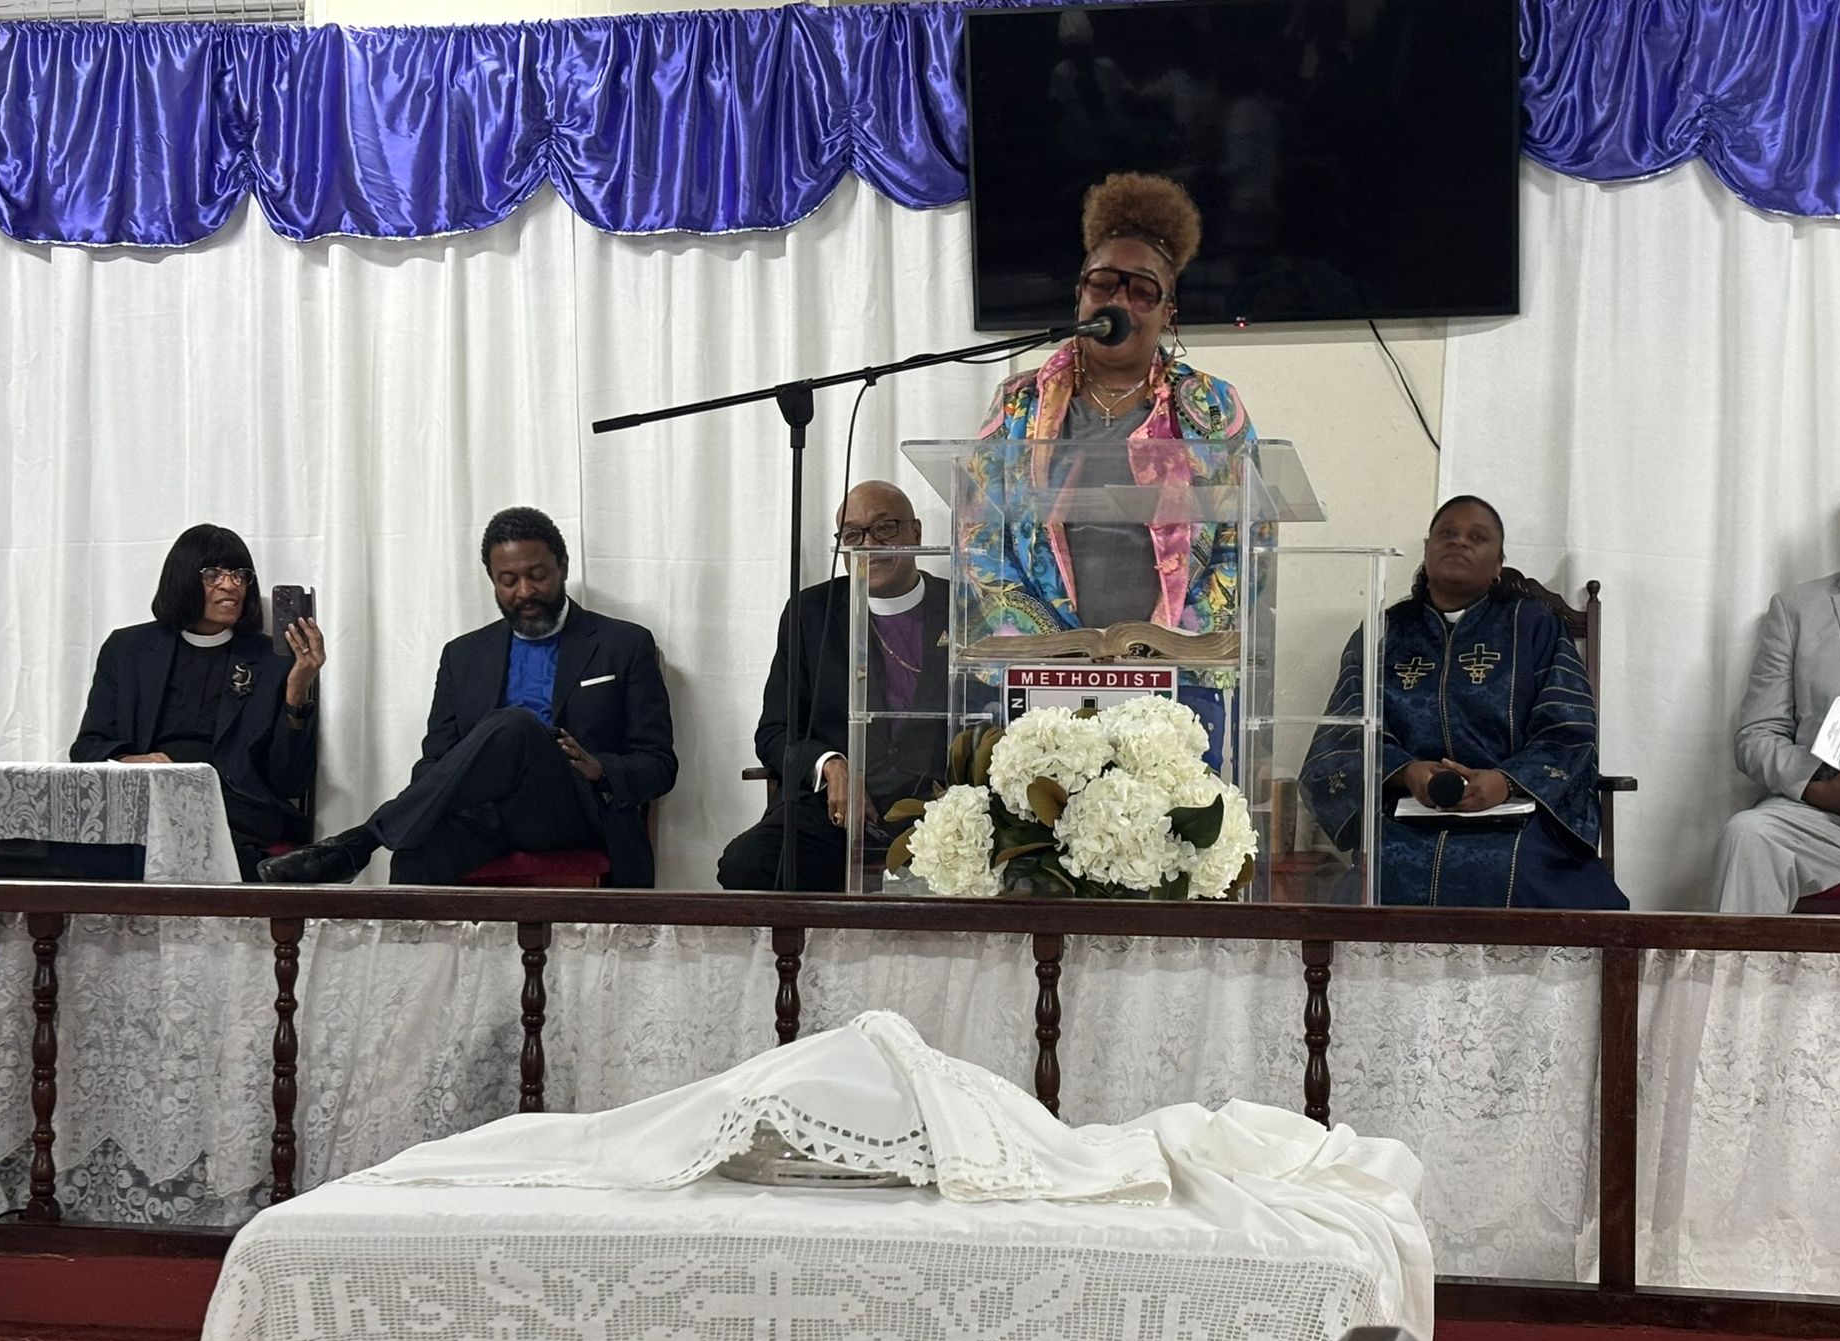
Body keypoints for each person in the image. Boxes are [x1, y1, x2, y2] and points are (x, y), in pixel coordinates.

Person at [260, 507, 675, 887]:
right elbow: (436, 763)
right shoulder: (463, 655)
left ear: (562, 568)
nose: (525, 591)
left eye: (538, 575)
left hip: (576, 812)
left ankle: (361, 841)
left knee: (514, 724)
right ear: (492, 580)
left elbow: (659, 765)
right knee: (415, 850)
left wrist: (599, 768)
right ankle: (416, 968)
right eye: (508, 581)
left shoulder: (623, 644)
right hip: (488, 816)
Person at [1298, 495, 1628, 909]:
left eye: (1478, 537)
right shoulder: (1384, 632)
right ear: (1427, 549)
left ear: (1498, 564)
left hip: (1518, 820)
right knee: (1380, 873)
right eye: (1447, 533)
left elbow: (1569, 733)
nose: (1460, 542)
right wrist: (1407, 772)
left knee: (1525, 871)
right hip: (1406, 817)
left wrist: (1504, 782)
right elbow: (1341, 737)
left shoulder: (1535, 627)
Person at [969, 171, 1255, 639]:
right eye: (1104, 284)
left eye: (1142, 291)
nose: (1119, 301)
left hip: (1177, 669)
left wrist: (1167, 645)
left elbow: (1245, 541)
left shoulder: (1214, 407)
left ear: (1168, 313)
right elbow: (981, 537)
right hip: (1044, 665)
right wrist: (1055, 647)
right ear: (1080, 294)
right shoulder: (1019, 402)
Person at [718, 482, 950, 892]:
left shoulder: (964, 606)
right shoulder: (811, 614)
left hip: (942, 815)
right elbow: (775, 731)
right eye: (852, 535)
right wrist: (830, 764)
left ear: (915, 532)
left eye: (884, 528)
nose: (868, 545)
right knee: (747, 863)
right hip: (837, 814)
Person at [70, 524, 325, 881]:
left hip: (234, 809)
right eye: (213, 574)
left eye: (240, 575)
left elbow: (289, 783)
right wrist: (134, 761)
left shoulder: (272, 660)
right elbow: (86, 748)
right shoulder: (128, 650)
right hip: (151, 800)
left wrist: (298, 691)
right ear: (183, 579)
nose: (230, 585)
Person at [1714, 452, 1840, 912]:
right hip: (1819, 814)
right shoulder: (1798, 608)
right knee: (1748, 834)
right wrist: (1819, 787)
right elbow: (1756, 735)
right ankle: (1731, 986)